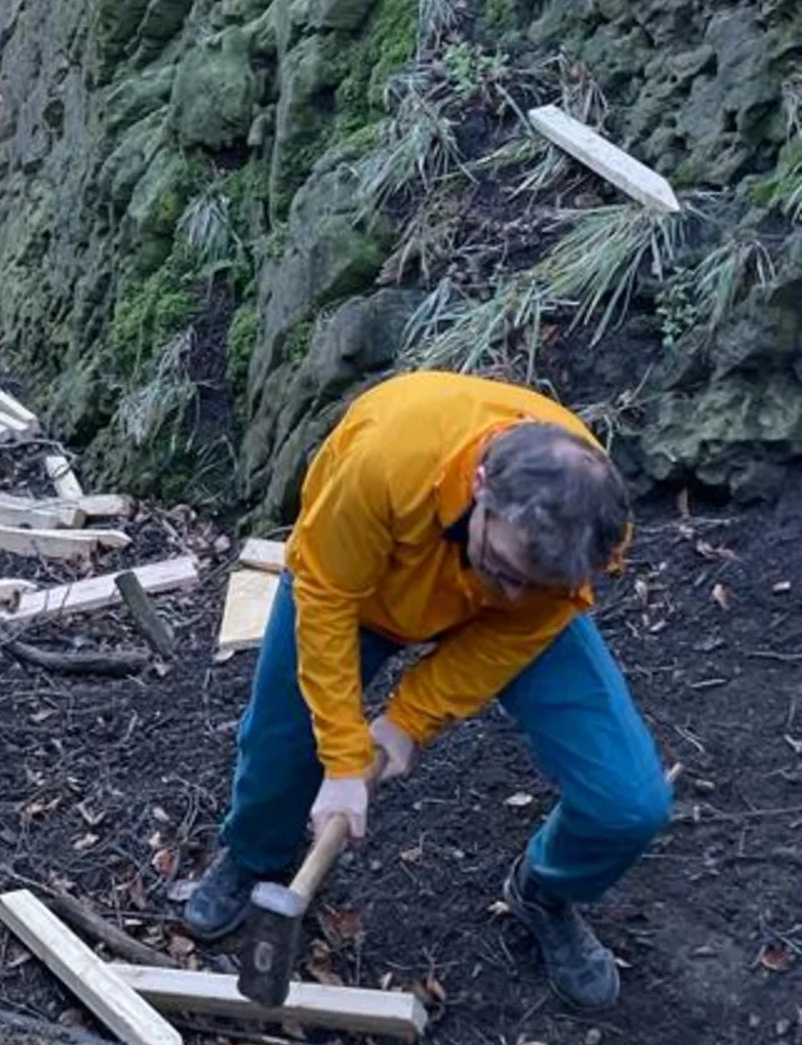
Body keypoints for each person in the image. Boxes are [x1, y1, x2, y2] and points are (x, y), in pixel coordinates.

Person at [183, 371, 664, 1011]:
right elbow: (324, 599)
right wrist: (344, 757)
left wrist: (409, 718)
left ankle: (546, 889)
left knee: (629, 803)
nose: (511, 592)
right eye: (502, 568)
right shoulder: (386, 460)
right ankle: (255, 855)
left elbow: (517, 627)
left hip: (506, 633)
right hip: (359, 594)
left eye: (533, 582)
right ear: (481, 485)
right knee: (282, 746)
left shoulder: (589, 533)